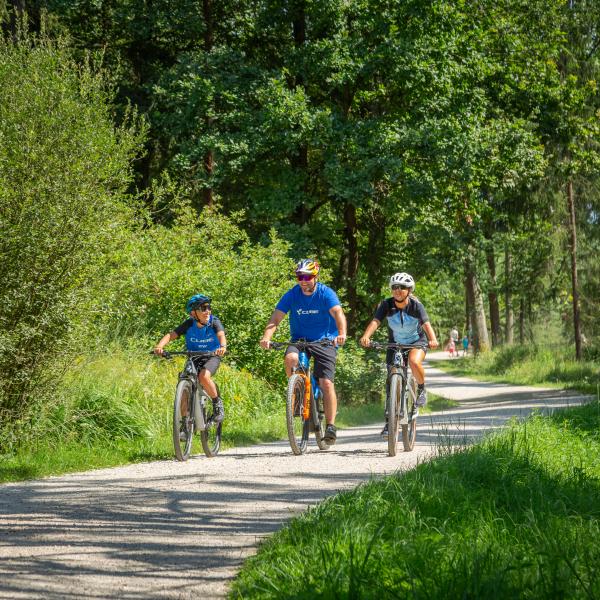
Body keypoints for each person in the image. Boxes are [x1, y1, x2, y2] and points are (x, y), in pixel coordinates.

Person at [259, 259, 347, 445]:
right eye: (300, 277)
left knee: (326, 383)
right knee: (290, 358)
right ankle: (297, 391)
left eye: (307, 277)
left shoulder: (326, 293)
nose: (303, 281)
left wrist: (341, 334)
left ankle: (331, 426)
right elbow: (276, 318)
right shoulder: (292, 294)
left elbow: (338, 313)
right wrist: (266, 337)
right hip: (300, 340)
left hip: (325, 341)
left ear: (315, 276)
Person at [359, 272, 439, 436]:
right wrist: (366, 336)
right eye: (395, 287)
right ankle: (389, 422)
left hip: (416, 342)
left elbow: (426, 324)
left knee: (414, 362)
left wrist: (433, 339)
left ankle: (421, 389)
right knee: (391, 380)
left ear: (409, 290)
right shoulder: (386, 305)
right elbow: (375, 321)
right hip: (395, 344)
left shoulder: (416, 306)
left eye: (402, 287)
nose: (398, 290)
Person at [154, 294, 227, 423]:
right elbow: (171, 335)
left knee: (203, 377)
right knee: (184, 385)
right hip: (194, 357)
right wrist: (159, 346)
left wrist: (222, 347)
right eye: (203, 308)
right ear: (193, 313)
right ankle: (184, 423)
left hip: (212, 356)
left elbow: (221, 335)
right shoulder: (189, 324)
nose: (208, 311)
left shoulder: (214, 322)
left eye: (209, 307)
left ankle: (217, 405)